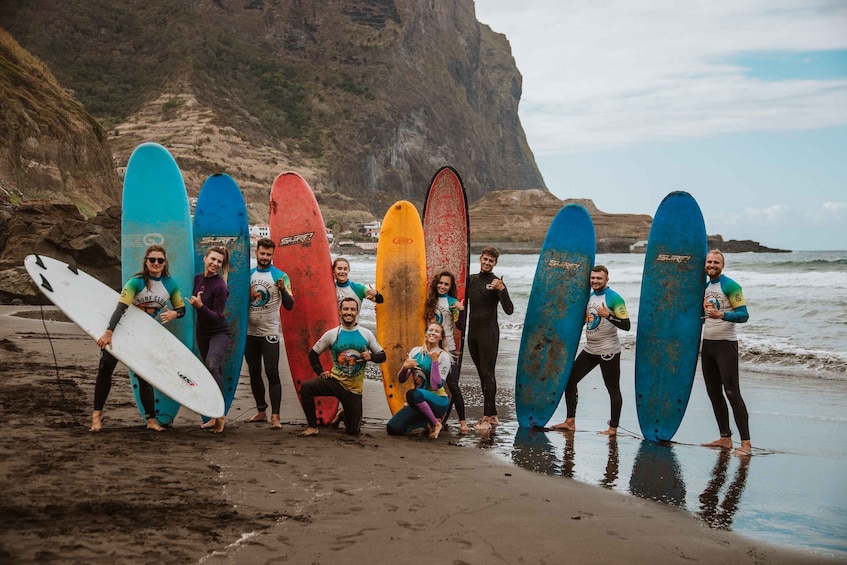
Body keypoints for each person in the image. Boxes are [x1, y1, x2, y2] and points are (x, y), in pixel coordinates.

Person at [91, 245, 185, 432]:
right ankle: (96, 416)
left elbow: (182, 309)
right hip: (121, 330)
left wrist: (174, 314)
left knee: (144, 376)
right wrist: (109, 332)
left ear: (164, 263)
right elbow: (120, 307)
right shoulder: (136, 282)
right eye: (152, 260)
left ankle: (151, 420)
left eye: (160, 260)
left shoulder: (170, 284)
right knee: (105, 370)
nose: (156, 263)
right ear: (146, 261)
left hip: (143, 336)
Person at [550, 265, 631, 435]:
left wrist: (607, 315)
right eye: (593, 278)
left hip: (608, 350)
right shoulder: (589, 297)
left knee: (613, 389)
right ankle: (570, 421)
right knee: (570, 381)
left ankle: (613, 428)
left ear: (607, 279)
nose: (595, 281)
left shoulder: (614, 298)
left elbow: (626, 325)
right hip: (590, 348)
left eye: (599, 278)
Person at [300, 297, 386, 436]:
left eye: (352, 309)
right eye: (345, 309)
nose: (349, 312)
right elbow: (313, 354)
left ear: (357, 312)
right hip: (335, 381)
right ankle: (312, 426)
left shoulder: (366, 334)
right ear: (340, 311)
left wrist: (371, 356)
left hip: (354, 390)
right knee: (306, 387)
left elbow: (383, 356)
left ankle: (342, 414)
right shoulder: (332, 334)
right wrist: (320, 372)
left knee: (353, 432)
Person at [701, 249, 752, 456]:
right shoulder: (705, 287)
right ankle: (725, 438)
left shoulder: (730, 285)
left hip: (725, 345)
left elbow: (744, 315)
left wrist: (722, 314)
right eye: (709, 261)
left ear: (722, 265)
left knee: (732, 392)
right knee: (713, 392)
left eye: (716, 262)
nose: (712, 265)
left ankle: (746, 444)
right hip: (708, 344)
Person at [244, 238, 294, 429]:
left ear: (273, 255)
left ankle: (275, 416)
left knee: (272, 372)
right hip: (249, 333)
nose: (265, 257)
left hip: (270, 333)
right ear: (256, 253)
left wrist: (282, 290)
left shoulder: (281, 277)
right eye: (262, 253)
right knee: (254, 372)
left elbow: (290, 306)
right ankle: (261, 411)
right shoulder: (247, 275)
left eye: (268, 254)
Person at [466, 246, 514, 432]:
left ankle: (486, 417)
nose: (487, 263)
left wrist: (502, 290)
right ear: (480, 259)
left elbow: (509, 310)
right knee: (481, 375)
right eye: (485, 259)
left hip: (489, 334)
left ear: (495, 263)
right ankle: (493, 414)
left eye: (491, 261)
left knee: (488, 374)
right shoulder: (471, 280)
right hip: (473, 334)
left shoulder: (496, 283)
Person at [189, 246, 231, 434]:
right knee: (211, 371)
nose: (214, 264)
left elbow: (217, 316)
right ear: (205, 258)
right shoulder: (197, 279)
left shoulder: (220, 286)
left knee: (212, 364)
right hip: (202, 332)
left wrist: (200, 306)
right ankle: (214, 417)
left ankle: (220, 415)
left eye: (219, 262)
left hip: (219, 332)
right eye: (212, 259)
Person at [386, 322, 452, 439]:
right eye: (430, 330)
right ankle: (425, 422)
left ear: (441, 337)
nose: (433, 333)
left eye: (437, 331)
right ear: (426, 334)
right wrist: (405, 367)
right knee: (393, 428)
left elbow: (436, 385)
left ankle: (436, 424)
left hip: (438, 401)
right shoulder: (415, 352)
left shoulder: (443, 356)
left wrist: (435, 362)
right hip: (419, 402)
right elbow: (401, 379)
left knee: (412, 394)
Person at [424, 271, 468, 433]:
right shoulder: (429, 301)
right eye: (440, 283)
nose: (442, 286)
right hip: (430, 348)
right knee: (430, 384)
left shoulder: (452, 302)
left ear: (451, 287)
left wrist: (461, 310)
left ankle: (463, 422)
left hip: (449, 350)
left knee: (453, 385)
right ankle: (432, 419)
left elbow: (460, 327)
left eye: (446, 284)